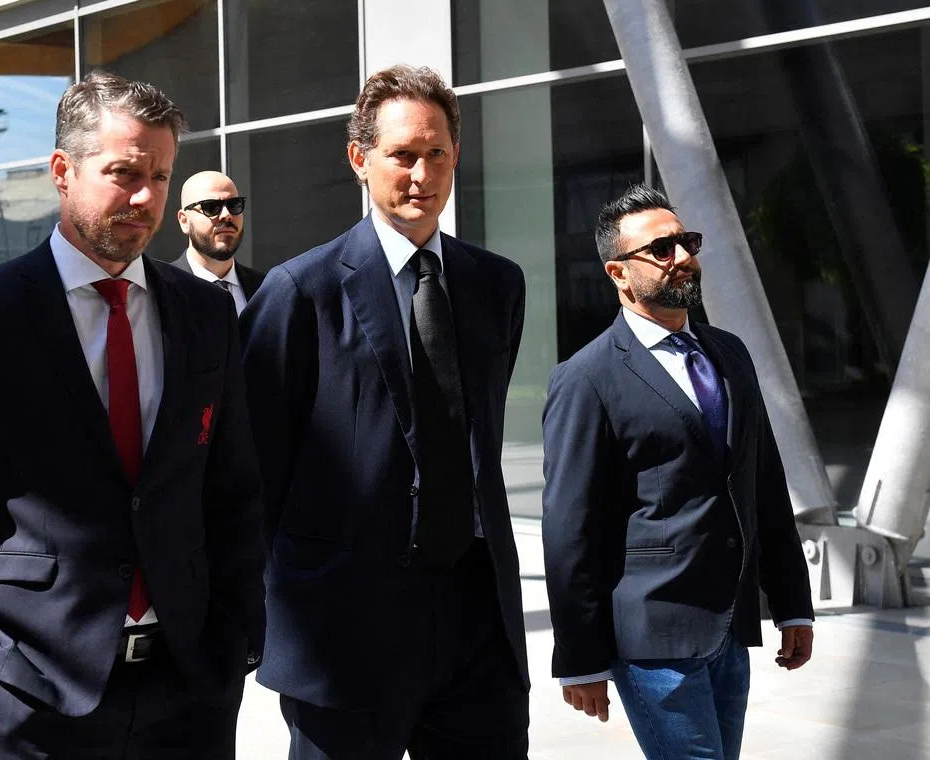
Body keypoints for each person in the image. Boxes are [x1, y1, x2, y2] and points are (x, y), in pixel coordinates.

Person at [0, 71, 264, 759]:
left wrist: (239, 637)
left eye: (160, 174)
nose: (146, 196)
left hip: (188, 694)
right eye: (123, 173)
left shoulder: (206, 315)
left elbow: (231, 488)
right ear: (63, 171)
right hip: (32, 697)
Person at [240, 64, 529, 759]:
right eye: (401, 155)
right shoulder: (298, 293)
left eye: (436, 153)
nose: (420, 174)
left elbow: (473, 437)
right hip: (345, 634)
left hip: (475, 623)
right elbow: (252, 475)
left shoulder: (497, 286)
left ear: (456, 155)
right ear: (359, 159)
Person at [541, 184, 814, 760]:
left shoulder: (729, 352)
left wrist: (791, 602)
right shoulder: (586, 378)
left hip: (728, 629)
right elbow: (570, 529)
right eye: (660, 250)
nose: (682, 257)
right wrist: (579, 658)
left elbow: (763, 482)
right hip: (651, 639)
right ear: (618, 273)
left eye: (685, 241)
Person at [172, 170, 263, 314]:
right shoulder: (162, 290)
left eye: (234, 205)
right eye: (211, 207)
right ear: (184, 221)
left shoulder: (264, 288)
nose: (227, 215)